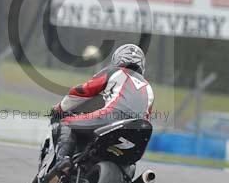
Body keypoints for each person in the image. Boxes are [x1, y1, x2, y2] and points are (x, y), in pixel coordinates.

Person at [49, 43, 155, 171]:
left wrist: (60, 108)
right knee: (130, 165)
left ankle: (61, 164)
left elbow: (82, 91)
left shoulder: (114, 72)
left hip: (110, 118)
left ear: (117, 59)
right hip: (140, 131)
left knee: (66, 123)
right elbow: (147, 116)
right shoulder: (149, 88)